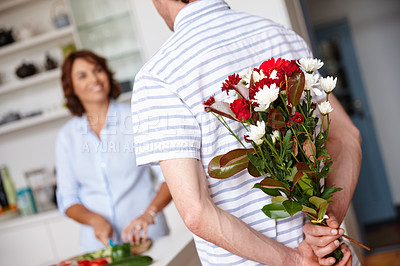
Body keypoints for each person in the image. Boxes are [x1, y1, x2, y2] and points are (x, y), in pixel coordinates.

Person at [131, 0, 361, 265]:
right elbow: (346, 135)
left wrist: (296, 260)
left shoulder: (158, 76)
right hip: (332, 258)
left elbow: (196, 211)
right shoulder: (280, 35)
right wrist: (326, 228)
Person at [55, 50, 171, 253]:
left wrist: (149, 213)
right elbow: (67, 198)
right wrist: (95, 220)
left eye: (98, 70)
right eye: (82, 75)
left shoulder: (136, 118)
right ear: (71, 87)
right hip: (100, 248)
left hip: (149, 240)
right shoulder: (67, 136)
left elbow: (170, 178)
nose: (94, 79)